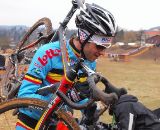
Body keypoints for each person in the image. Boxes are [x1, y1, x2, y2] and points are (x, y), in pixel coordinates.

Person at [16, 3, 119, 130]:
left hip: (59, 120)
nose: (102, 52)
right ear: (84, 37)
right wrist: (64, 102)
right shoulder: (48, 53)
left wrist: (90, 110)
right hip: (31, 121)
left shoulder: (90, 61)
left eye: (106, 47)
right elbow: (24, 98)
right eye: (99, 46)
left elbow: (81, 95)